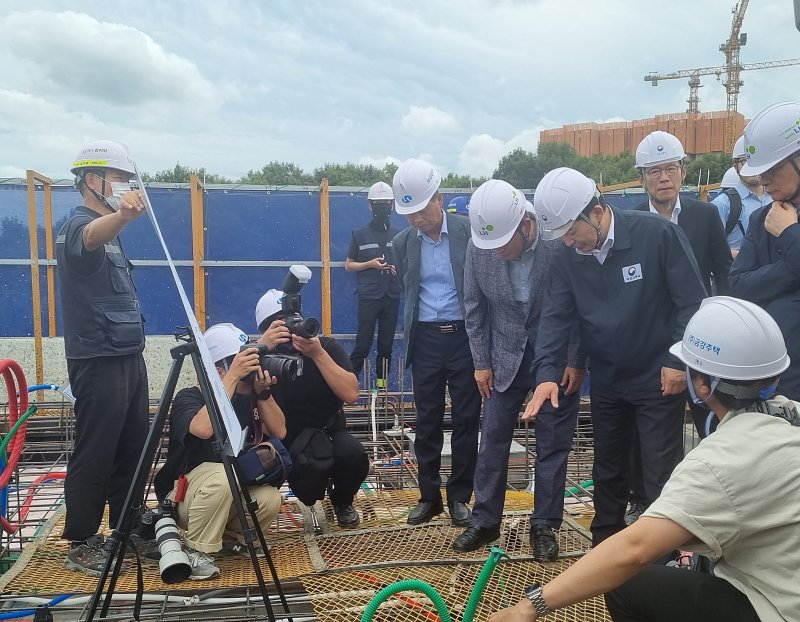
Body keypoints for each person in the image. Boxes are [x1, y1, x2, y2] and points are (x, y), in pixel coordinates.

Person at [489, 296, 799, 622]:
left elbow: (634, 550)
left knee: (630, 582)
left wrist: (528, 607)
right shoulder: (792, 417)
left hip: (778, 607)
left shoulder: (718, 461)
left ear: (702, 384)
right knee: (700, 562)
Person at [525, 167, 706, 546]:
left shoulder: (656, 235)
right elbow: (555, 319)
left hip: (657, 376)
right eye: (563, 238)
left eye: (573, 233)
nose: (571, 243)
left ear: (595, 211)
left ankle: (662, 557)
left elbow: (691, 303)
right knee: (608, 468)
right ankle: (604, 544)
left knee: (659, 471)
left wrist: (677, 361)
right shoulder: (566, 258)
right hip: (607, 378)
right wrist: (545, 374)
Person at [452, 182, 583, 560]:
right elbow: (474, 308)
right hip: (503, 354)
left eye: (504, 245)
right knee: (492, 437)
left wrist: (575, 359)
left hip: (555, 357)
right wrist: (481, 363)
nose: (498, 253)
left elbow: (577, 308)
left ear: (527, 225)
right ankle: (485, 519)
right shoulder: (480, 249)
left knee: (553, 443)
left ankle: (544, 524)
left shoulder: (560, 244)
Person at [56, 140, 150, 576]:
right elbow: (89, 238)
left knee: (134, 442)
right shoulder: (77, 225)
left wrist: (119, 220)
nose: (124, 188)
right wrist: (123, 216)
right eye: (118, 179)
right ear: (93, 180)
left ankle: (125, 526)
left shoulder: (110, 230)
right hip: (97, 355)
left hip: (127, 352)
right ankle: (81, 540)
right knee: (97, 447)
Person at [154, 324, 284, 580]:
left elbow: (279, 431)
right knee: (224, 476)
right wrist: (231, 378)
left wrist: (263, 393)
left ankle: (231, 540)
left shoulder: (248, 397)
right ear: (217, 369)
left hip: (226, 492)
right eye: (241, 363)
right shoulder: (189, 397)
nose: (250, 369)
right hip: (183, 500)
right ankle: (195, 548)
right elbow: (203, 429)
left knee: (269, 498)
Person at [392, 158, 482, 527]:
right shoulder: (402, 243)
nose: (416, 219)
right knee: (426, 421)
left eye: (421, 210)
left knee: (466, 419)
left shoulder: (467, 232)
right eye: (409, 213)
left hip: (465, 337)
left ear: (439, 199)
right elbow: (408, 290)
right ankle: (429, 498)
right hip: (426, 339)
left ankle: (460, 496)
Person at [254, 288, 368, 526]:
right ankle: (259, 512)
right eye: (280, 326)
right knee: (259, 462)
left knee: (354, 454)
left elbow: (351, 394)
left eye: (294, 321)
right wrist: (261, 349)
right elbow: (232, 382)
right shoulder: (261, 358)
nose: (291, 330)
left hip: (328, 430)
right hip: (283, 435)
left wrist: (318, 354)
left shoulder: (325, 346)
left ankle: (342, 501)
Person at [730, 101, 800, 401]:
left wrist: (789, 234)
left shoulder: (779, 225)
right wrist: (790, 268)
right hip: (775, 378)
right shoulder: (762, 220)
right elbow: (739, 286)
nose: (763, 180)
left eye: (772, 169)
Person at [633, 130, 732, 295]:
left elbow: (724, 272)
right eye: (654, 171)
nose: (664, 178)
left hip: (699, 315)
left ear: (683, 172)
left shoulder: (706, 215)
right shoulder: (632, 222)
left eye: (671, 169)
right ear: (642, 179)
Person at [345, 181, 402, 389]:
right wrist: (369, 264)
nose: (382, 206)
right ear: (370, 206)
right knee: (363, 345)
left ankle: (381, 386)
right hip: (369, 297)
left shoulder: (399, 235)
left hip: (391, 296)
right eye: (378, 203)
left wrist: (398, 270)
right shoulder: (359, 234)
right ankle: (348, 386)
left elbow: (406, 264)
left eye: (386, 202)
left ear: (393, 205)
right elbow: (349, 265)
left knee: (386, 346)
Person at [712, 135, 772, 258]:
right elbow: (712, 249)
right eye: (745, 161)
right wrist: (749, 258)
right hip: (739, 274)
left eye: (756, 159)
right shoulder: (723, 204)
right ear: (736, 168)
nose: (752, 166)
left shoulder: (776, 197)